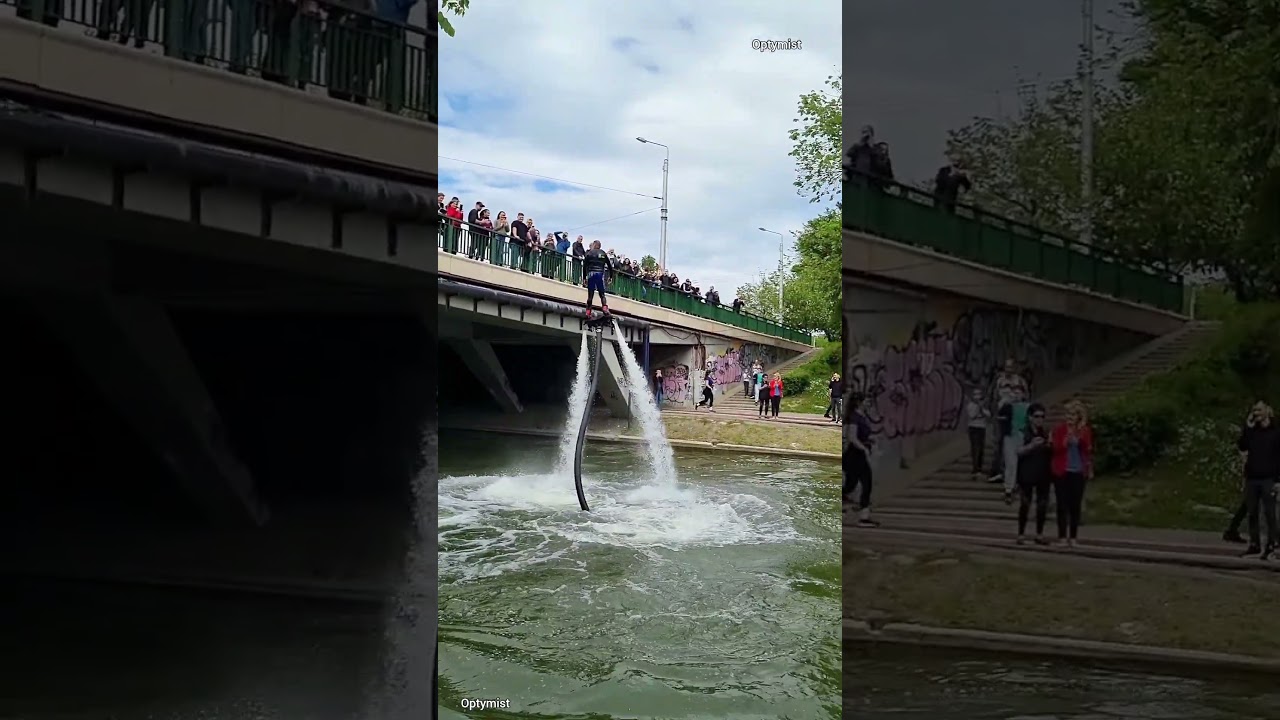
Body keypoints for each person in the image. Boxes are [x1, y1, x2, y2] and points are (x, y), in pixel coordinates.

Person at [1235, 401, 1280, 559]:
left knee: (1270, 514)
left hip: (1269, 478)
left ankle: (1272, 545)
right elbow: (1242, 446)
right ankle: (1254, 545)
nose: (1256, 413)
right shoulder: (1253, 432)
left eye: (1259, 410)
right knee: (1252, 513)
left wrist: (1278, 481)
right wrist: (1247, 427)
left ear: (1268, 411)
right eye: (1254, 410)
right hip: (1252, 478)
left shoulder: (1276, 433)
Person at [1050, 400, 1094, 547]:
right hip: (1062, 470)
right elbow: (1055, 449)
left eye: (1073, 414)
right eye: (1067, 414)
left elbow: (1087, 450)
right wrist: (1064, 442)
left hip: (1077, 470)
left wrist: (1079, 440)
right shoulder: (1059, 429)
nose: (1069, 417)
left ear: (1079, 416)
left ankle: (1073, 537)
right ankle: (1062, 537)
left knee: (1075, 504)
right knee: (1062, 504)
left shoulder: (1084, 430)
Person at [1015, 403, 1053, 545]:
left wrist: (1049, 445)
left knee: (1042, 504)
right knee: (1025, 503)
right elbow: (1018, 451)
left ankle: (1039, 534)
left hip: (1043, 472)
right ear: (1030, 418)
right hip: (1027, 473)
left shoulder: (1046, 432)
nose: (1040, 420)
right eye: (1037, 416)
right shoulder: (1023, 432)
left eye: (1042, 417)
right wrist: (1032, 445)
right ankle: (1021, 534)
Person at [990, 359, 1029, 482]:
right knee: (998, 443)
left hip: (1016, 416)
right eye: (1007, 367)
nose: (1009, 369)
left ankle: (1013, 472)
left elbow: (1026, 396)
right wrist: (994, 413)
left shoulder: (1020, 381)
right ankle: (998, 470)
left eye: (1011, 367)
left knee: (1013, 444)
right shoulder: (1000, 381)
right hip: (1002, 416)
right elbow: (994, 397)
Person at [844, 391, 879, 528]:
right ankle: (863, 518)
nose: (868, 403)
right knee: (866, 483)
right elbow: (852, 437)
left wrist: (870, 441)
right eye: (866, 400)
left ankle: (857, 512)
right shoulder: (855, 417)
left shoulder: (863, 416)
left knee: (851, 485)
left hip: (858, 455)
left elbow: (861, 435)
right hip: (855, 456)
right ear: (859, 402)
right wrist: (864, 448)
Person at [998, 387, 1030, 504]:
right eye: (1014, 393)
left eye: (1018, 393)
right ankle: (1008, 488)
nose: (1016, 395)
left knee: (1021, 462)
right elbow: (999, 415)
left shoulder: (1027, 407)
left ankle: (1018, 484)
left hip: (1022, 436)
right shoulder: (1008, 406)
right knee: (1010, 462)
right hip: (1010, 436)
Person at [582, 240, 614, 319]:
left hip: (591, 274)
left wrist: (584, 278)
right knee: (602, 294)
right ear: (599, 246)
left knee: (590, 295)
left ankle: (588, 312)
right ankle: (605, 308)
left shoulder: (589, 253)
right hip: (600, 274)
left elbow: (584, 266)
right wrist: (611, 276)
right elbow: (610, 266)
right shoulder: (603, 253)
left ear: (594, 245)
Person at [965, 387, 991, 479]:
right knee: (975, 448)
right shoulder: (970, 405)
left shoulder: (984, 405)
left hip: (982, 428)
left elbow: (988, 415)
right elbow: (972, 415)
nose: (977, 396)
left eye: (979, 394)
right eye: (975, 394)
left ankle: (979, 468)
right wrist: (978, 407)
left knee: (981, 448)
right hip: (973, 428)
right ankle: (975, 468)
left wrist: (982, 408)